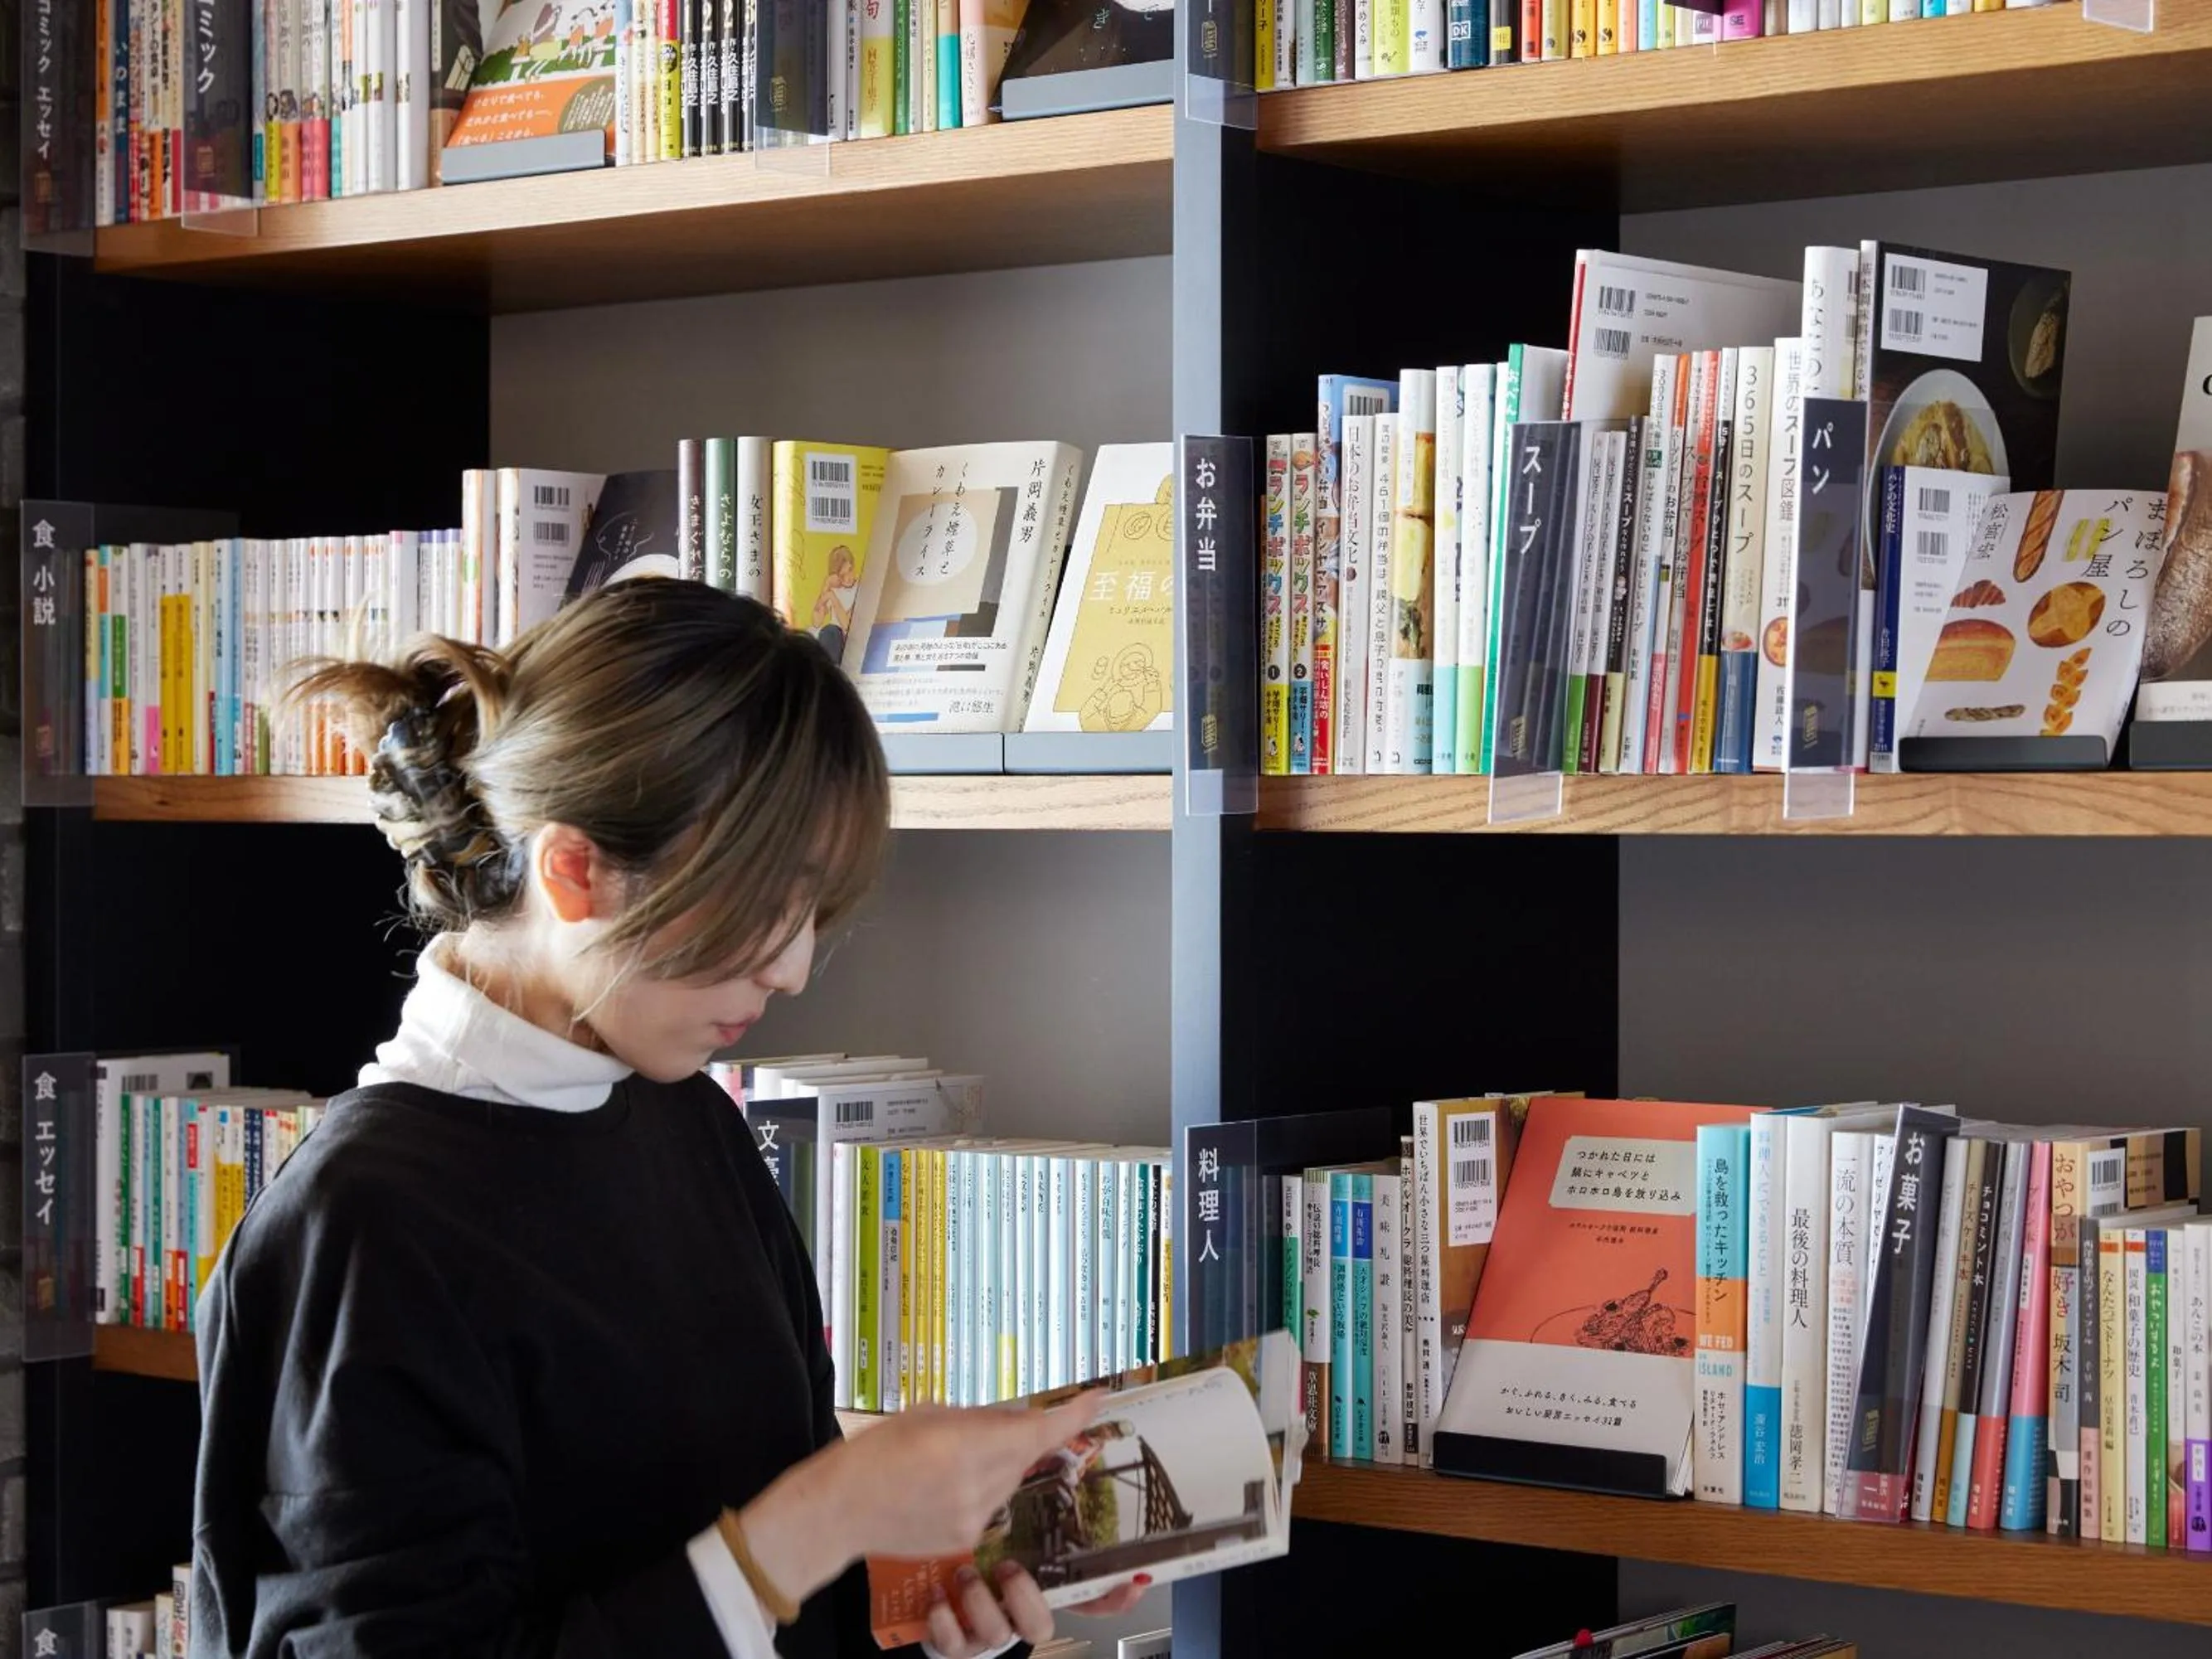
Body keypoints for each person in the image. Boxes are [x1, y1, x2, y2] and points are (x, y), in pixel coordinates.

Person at [190, 580, 1145, 1657]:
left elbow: (754, 1604)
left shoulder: (694, 1124)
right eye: (755, 910)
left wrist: (938, 1587)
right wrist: (811, 1525)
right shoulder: (359, 1228)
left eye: (812, 913)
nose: (790, 970)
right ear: (574, 870)